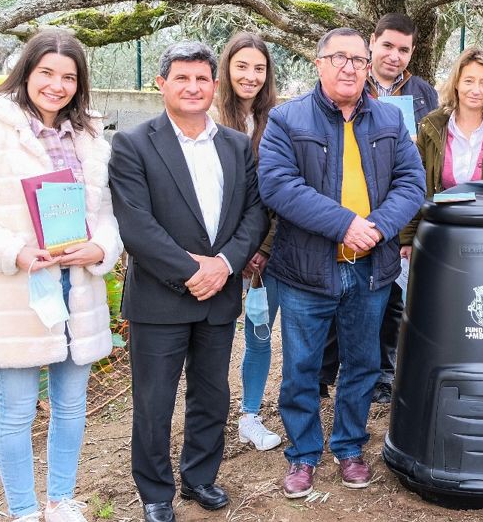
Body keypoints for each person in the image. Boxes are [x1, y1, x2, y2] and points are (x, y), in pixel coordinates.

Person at [0, 30, 123, 522]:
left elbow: (104, 210)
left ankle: (60, 501)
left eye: (68, 77)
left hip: (76, 289)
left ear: (79, 85)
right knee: (16, 410)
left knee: (71, 405)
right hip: (15, 292)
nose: (57, 86)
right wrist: (13, 251)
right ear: (26, 71)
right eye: (47, 74)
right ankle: (22, 510)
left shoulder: (89, 136)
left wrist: (100, 246)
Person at [257, 27, 425, 499]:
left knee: (362, 364)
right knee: (302, 368)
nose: (349, 67)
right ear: (319, 63)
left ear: (368, 66)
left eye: (357, 59)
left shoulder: (390, 121)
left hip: (370, 268)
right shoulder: (286, 120)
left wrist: (376, 227)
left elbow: (413, 182)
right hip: (307, 271)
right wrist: (344, 224)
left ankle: (350, 446)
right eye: (339, 58)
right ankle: (304, 455)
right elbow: (278, 185)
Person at [109, 41, 269, 522]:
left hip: (219, 295)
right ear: (161, 84)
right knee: (155, 402)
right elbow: (136, 225)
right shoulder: (133, 144)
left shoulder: (237, 146)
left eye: (202, 79)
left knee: (212, 393)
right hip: (160, 298)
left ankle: (200, 476)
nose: (193, 87)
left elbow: (255, 213)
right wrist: (191, 270)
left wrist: (223, 264)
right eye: (181, 78)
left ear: (214, 86)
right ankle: (156, 492)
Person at [320, 13, 439, 404]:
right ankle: (326, 372)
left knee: (390, 298)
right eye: (387, 45)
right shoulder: (348, 79)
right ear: (372, 43)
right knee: (337, 293)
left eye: (403, 49)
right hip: (346, 207)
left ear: (412, 53)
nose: (394, 55)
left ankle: (384, 375)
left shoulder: (423, 93)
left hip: (394, 209)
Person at [210, 31, 282, 451]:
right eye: (242, 67)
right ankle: (209, 417)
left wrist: (262, 247)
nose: (251, 76)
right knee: (213, 341)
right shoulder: (210, 118)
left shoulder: (279, 121)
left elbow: (277, 192)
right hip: (216, 252)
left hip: (264, 254)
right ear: (227, 69)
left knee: (258, 334)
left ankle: (250, 415)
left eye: (259, 68)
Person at [399, 46, 483, 249]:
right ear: (457, 83)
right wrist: (407, 238)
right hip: (441, 233)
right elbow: (415, 183)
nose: (476, 90)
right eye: (469, 81)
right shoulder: (431, 126)